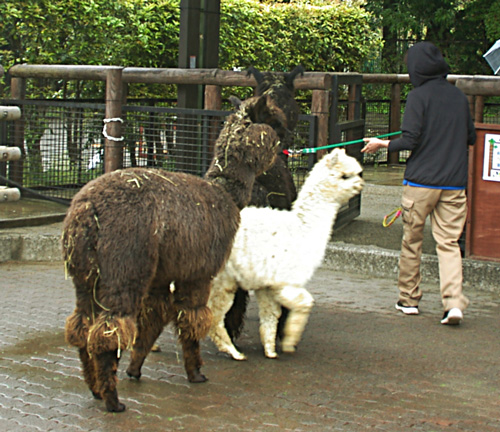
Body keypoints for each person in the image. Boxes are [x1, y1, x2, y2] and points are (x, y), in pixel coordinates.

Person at [361, 41, 476, 325]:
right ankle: (453, 304)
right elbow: (471, 138)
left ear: (416, 68)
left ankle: (409, 300)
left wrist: (381, 143)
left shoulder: (418, 97)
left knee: (412, 241)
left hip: (421, 183)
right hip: (453, 184)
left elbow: (410, 140)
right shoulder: (459, 98)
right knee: (448, 244)